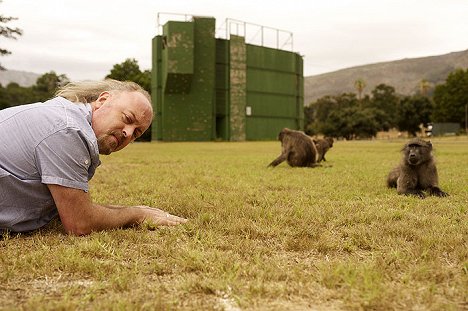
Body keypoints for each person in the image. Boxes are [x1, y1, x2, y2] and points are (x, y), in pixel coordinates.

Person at [0, 79, 187, 235]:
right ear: (103, 100)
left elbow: (72, 206)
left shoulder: (64, 115)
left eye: (136, 133)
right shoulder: (68, 130)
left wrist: (129, 210)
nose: (128, 134)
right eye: (128, 119)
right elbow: (79, 222)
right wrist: (137, 214)